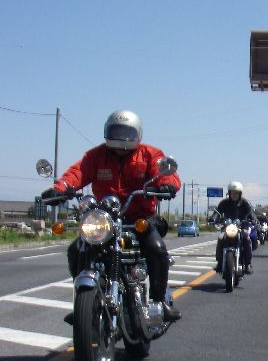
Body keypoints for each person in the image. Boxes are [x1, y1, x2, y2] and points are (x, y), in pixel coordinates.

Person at [41, 109, 182, 322]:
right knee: (76, 250)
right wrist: (60, 189)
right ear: (107, 131)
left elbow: (165, 173)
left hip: (139, 217)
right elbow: (77, 173)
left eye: (127, 132)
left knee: (157, 249)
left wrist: (166, 184)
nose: (121, 137)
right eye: (117, 131)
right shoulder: (96, 156)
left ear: (137, 133)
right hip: (104, 218)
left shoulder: (149, 154)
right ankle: (84, 300)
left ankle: (159, 301)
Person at [213, 181, 256, 274]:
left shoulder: (245, 203)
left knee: (246, 239)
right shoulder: (224, 202)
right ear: (229, 193)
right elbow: (217, 212)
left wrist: (253, 219)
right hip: (227, 227)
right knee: (220, 238)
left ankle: (248, 264)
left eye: (236, 193)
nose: (234, 195)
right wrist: (213, 218)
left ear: (240, 194)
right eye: (232, 193)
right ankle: (219, 263)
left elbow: (251, 212)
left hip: (241, 227)